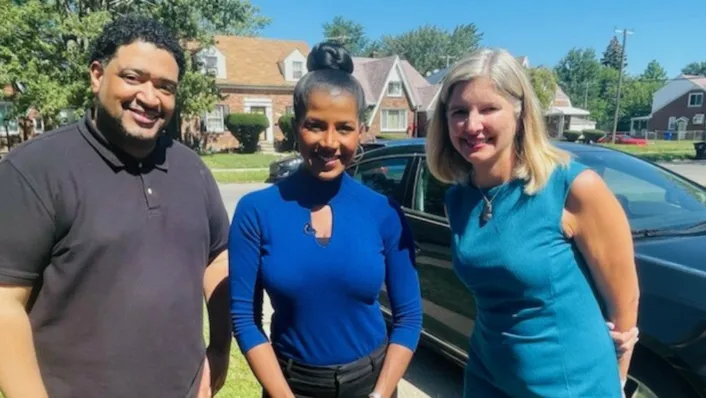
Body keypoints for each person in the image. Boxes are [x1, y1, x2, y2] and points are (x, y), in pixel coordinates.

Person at [0, 15, 231, 398]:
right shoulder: (35, 170)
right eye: (133, 78)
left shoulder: (191, 167)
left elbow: (218, 260)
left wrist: (220, 348)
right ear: (96, 75)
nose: (150, 97)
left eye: (165, 87)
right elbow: (5, 304)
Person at [425, 48, 641, 397]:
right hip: (488, 374)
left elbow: (625, 302)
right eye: (459, 112)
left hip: (570, 383)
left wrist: (616, 379)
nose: (472, 125)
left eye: (489, 108)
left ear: (520, 111)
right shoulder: (458, 199)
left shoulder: (573, 187)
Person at [229, 42, 423, 398]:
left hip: (372, 383)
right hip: (291, 385)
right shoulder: (256, 211)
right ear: (295, 125)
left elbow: (409, 318)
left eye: (344, 128)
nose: (330, 142)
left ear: (361, 130)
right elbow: (244, 319)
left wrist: (380, 395)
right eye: (315, 126)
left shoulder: (384, 212)